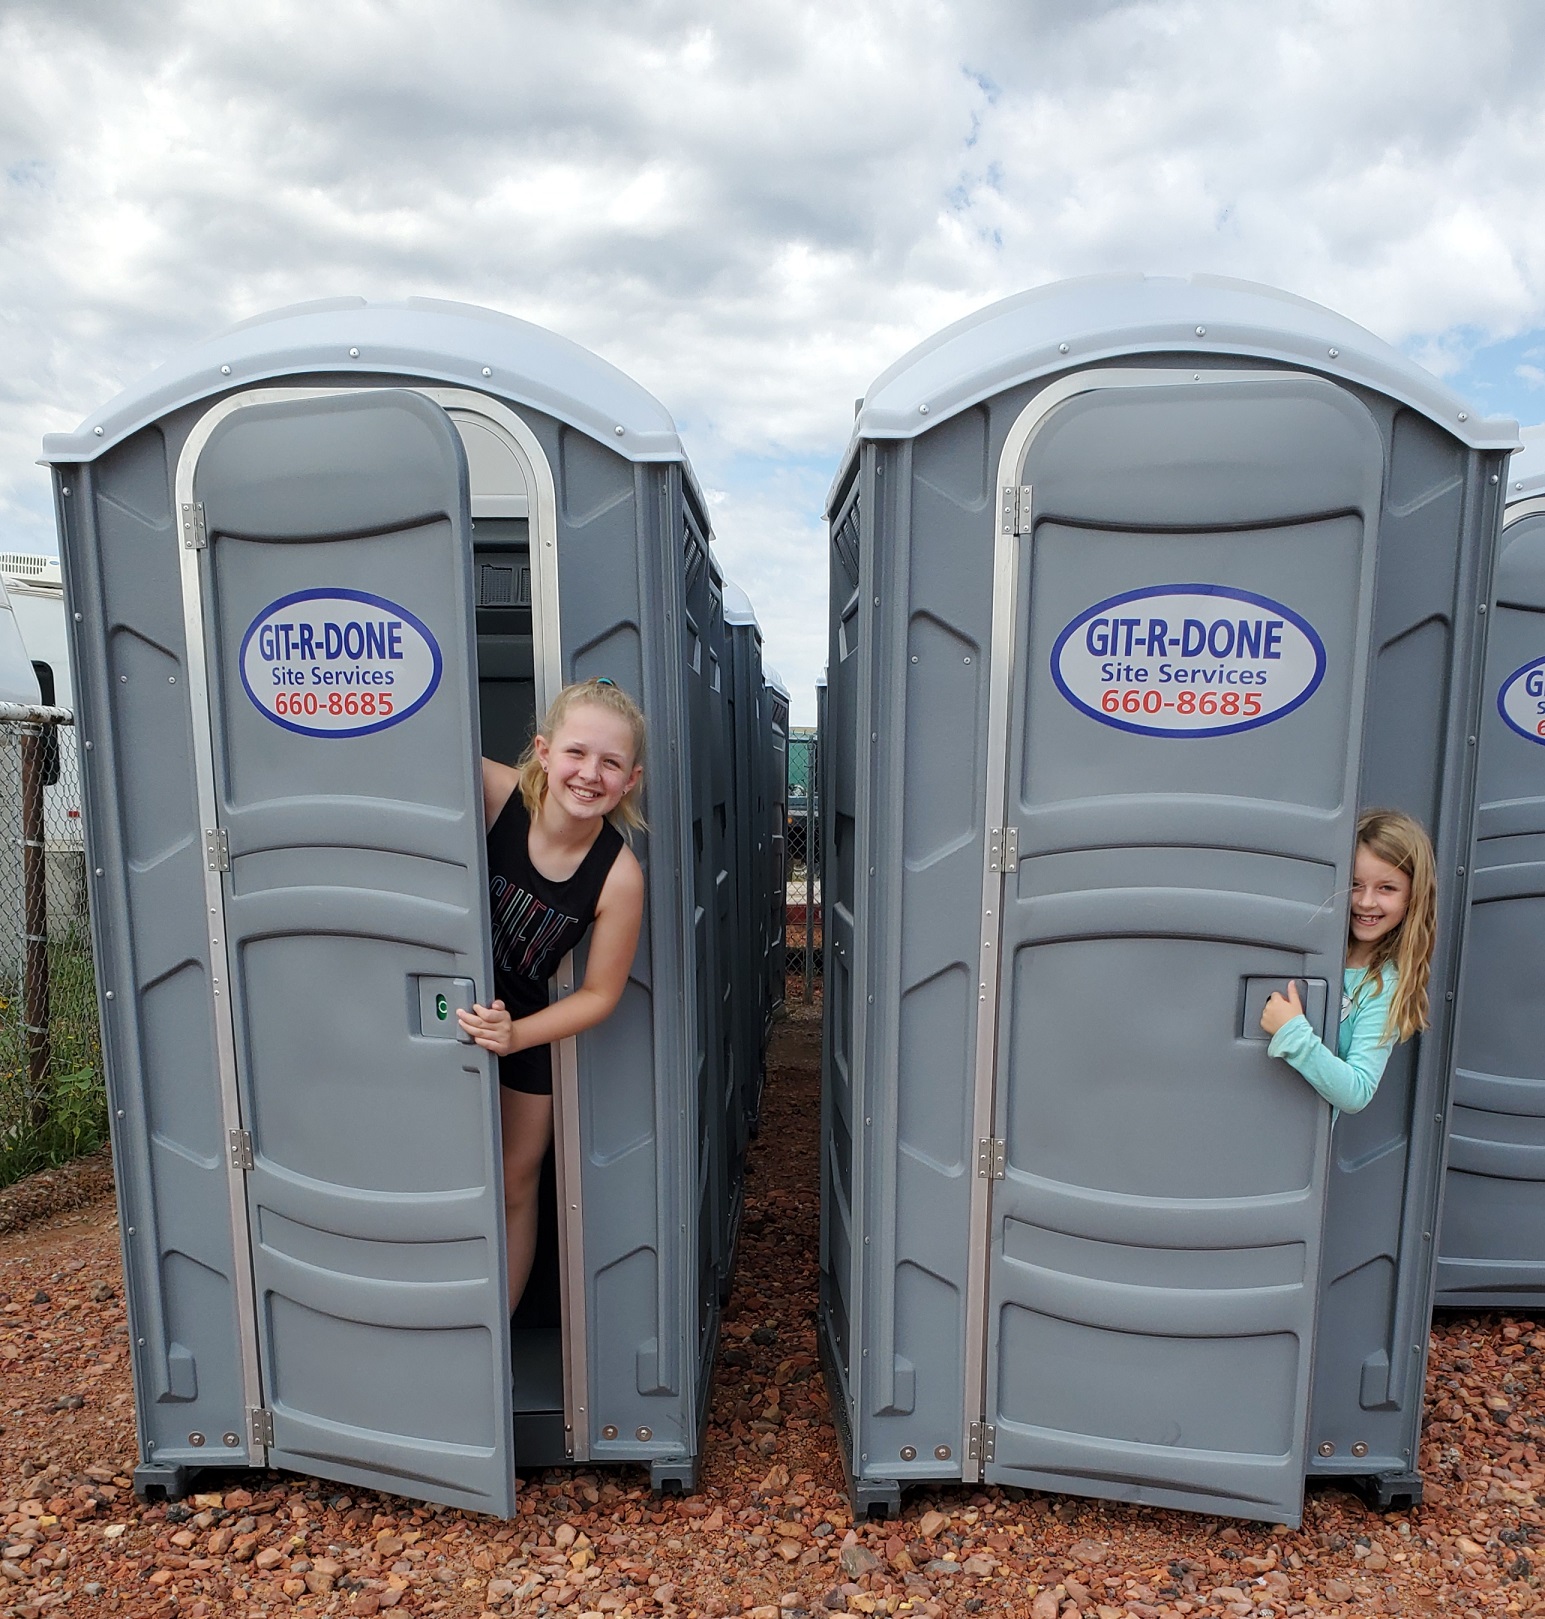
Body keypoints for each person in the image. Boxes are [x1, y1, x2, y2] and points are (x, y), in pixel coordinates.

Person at [457, 677, 647, 1306]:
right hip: (443, 996)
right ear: (543, 751)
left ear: (630, 780)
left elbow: (599, 994)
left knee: (516, 1183)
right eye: (576, 752)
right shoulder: (493, 794)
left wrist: (515, 1036)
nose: (590, 773)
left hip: (520, 1026)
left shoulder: (619, 876)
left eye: (611, 763)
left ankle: (495, 1343)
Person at [1260, 808, 1437, 1114]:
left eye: (1386, 888)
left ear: (1412, 896)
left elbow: (1357, 1091)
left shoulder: (1383, 985)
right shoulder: (1314, 947)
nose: (1366, 901)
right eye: (1355, 884)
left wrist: (1293, 1034)